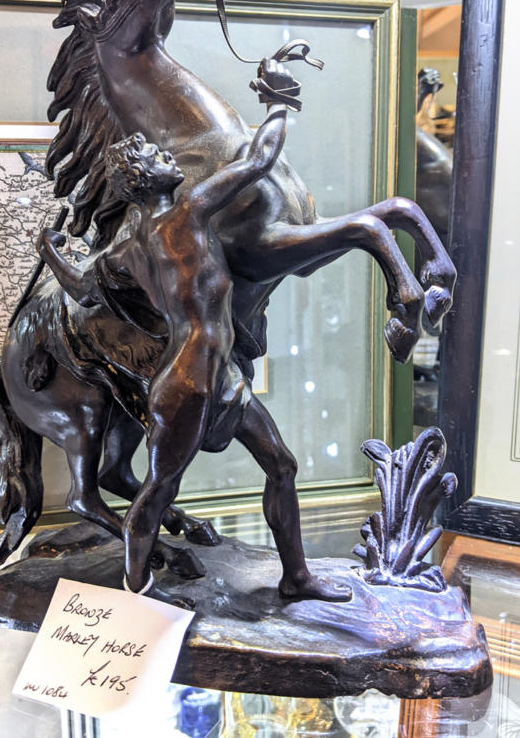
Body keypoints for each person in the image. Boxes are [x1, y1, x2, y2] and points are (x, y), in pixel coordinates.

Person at [38, 58, 351, 602]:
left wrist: (50, 251)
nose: (168, 158)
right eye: (156, 157)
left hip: (217, 373)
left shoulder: (127, 249)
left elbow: (83, 287)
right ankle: (139, 587)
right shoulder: (186, 211)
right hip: (188, 383)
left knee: (281, 465)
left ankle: (297, 577)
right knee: (159, 488)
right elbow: (258, 160)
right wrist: (278, 102)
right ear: (144, 178)